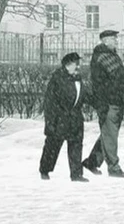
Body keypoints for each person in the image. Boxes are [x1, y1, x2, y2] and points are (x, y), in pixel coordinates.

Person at [82, 29, 124, 178]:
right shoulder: (102, 57)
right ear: (104, 41)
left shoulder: (110, 55)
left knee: (108, 134)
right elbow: (104, 83)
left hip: (114, 100)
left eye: (115, 38)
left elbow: (120, 81)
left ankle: (92, 162)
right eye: (113, 39)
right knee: (110, 135)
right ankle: (114, 167)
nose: (116, 41)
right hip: (108, 102)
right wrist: (105, 100)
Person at [39, 52, 91, 182]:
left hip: (75, 118)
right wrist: (51, 121)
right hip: (60, 118)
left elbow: (83, 96)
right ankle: (45, 170)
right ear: (67, 65)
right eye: (76, 64)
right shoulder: (57, 79)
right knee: (53, 146)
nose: (78, 66)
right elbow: (49, 102)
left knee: (76, 145)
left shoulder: (77, 78)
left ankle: (76, 174)